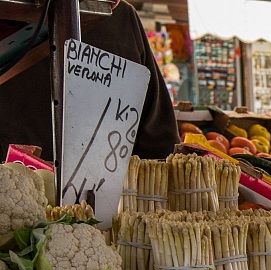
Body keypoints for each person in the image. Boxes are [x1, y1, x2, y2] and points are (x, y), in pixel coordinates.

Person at [0, 1, 178, 159]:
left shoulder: (120, 17)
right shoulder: (119, 16)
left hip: (105, 188)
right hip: (102, 189)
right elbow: (160, 143)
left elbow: (159, 141)